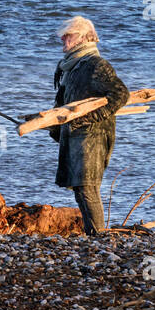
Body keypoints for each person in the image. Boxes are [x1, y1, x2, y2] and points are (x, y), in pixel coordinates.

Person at [49, 15, 130, 234]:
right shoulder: (69, 66)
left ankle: (98, 236)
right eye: (63, 36)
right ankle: (92, 234)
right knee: (79, 187)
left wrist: (89, 119)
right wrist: (56, 128)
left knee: (87, 186)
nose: (63, 41)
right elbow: (64, 100)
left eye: (69, 36)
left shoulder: (96, 65)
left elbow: (121, 94)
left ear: (84, 37)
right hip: (75, 134)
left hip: (93, 135)